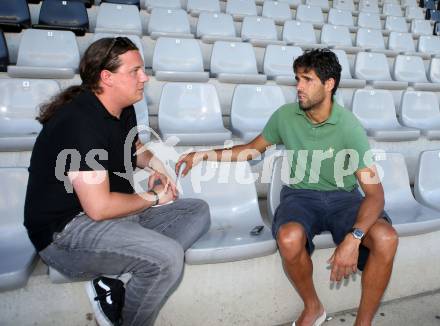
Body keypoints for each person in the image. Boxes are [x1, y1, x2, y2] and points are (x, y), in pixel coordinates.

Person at [176, 49, 398, 326]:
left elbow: (376, 194)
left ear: (329, 85)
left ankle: (363, 323)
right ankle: (313, 306)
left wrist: (354, 238)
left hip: (344, 198)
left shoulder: (349, 126)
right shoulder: (285, 116)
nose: (299, 87)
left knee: (386, 238)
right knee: (290, 238)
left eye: (307, 79)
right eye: (297, 79)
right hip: (301, 196)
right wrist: (202, 155)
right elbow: (249, 150)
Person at [24, 37, 210, 326]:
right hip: (67, 233)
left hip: (115, 220)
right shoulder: (78, 123)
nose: (144, 78)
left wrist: (156, 165)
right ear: (107, 77)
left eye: (143, 70)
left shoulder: (123, 107)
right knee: (168, 258)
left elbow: (133, 147)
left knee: (196, 211)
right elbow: (98, 207)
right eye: (135, 71)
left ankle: (115, 282)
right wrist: (154, 198)